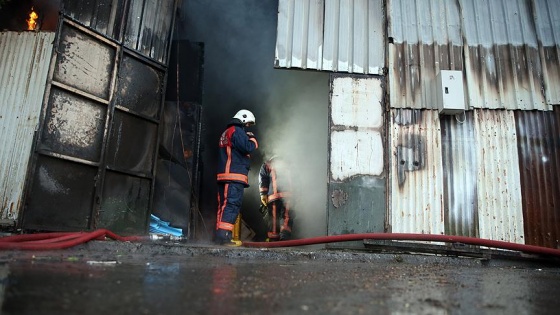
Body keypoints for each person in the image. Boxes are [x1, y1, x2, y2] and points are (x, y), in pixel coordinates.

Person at [215, 109, 258, 245]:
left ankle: (220, 235)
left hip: (226, 175)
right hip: (233, 175)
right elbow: (247, 147)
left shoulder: (227, 131)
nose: (248, 127)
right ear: (243, 118)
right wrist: (252, 139)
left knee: (224, 206)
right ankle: (223, 237)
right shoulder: (236, 130)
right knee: (232, 205)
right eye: (248, 124)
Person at [259, 155, 294, 241]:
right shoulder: (290, 164)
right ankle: (284, 239)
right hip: (287, 196)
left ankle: (274, 239)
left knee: (273, 218)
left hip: (273, 197)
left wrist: (263, 194)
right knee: (286, 217)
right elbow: (297, 180)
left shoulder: (267, 164)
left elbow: (263, 178)